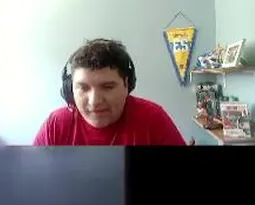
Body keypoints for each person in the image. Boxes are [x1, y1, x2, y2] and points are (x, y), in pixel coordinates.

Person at [33, 39, 186, 146]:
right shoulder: (56, 124)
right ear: (70, 88)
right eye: (83, 88)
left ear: (127, 85)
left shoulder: (153, 119)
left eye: (107, 87)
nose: (94, 101)